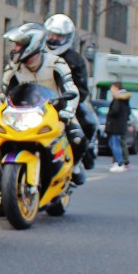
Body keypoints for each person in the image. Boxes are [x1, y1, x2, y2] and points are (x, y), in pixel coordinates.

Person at [1, 24, 83, 173]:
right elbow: (5, 95)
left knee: (78, 138)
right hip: (23, 116)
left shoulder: (56, 64)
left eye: (18, 45)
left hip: (56, 113)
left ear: (32, 45)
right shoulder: (12, 69)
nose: (15, 49)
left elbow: (71, 89)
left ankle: (74, 168)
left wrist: (69, 110)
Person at [44, 13, 97, 176]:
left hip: (65, 103)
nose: (53, 39)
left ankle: (79, 159)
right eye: (51, 34)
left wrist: (68, 102)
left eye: (58, 36)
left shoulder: (76, 59)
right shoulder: (39, 55)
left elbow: (82, 89)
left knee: (88, 123)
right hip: (38, 102)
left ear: (67, 38)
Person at [105, 81, 132, 172]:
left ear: (116, 88)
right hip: (121, 125)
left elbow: (115, 111)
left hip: (116, 125)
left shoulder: (118, 99)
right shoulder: (124, 99)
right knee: (117, 144)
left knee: (116, 144)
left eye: (112, 87)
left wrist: (110, 114)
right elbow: (128, 112)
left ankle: (119, 163)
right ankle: (120, 162)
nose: (111, 90)